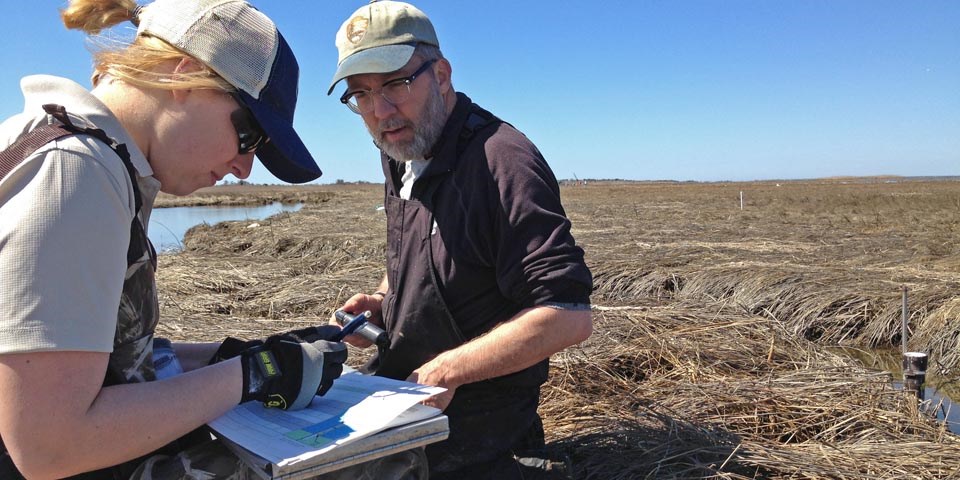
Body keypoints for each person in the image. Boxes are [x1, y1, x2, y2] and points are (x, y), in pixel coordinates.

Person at [0, 1, 349, 478]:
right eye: (249, 136)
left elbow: (97, 363)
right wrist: (256, 373)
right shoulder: (76, 172)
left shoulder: (94, 159)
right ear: (184, 76)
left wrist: (233, 354)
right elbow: (47, 446)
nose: (243, 168)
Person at [327, 2, 594, 478]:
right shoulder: (400, 150)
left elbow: (566, 317)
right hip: (400, 389)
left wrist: (446, 371)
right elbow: (430, 256)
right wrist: (383, 299)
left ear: (442, 74)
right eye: (361, 94)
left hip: (476, 415)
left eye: (395, 84)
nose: (380, 111)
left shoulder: (503, 163)